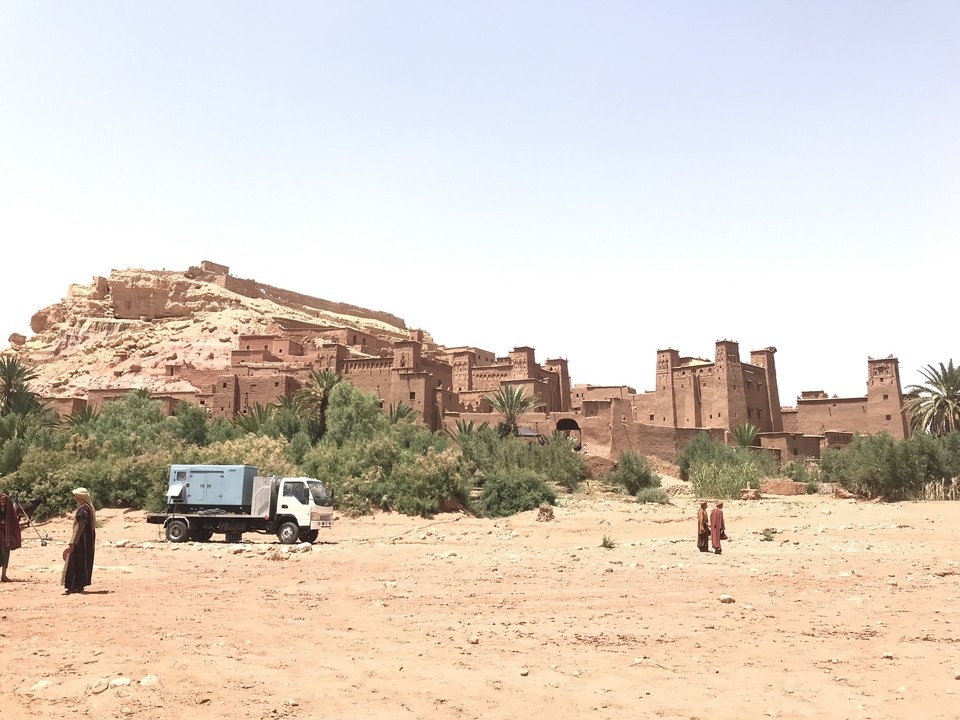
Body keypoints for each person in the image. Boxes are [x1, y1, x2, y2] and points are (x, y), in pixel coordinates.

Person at [62, 488, 96, 594]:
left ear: (80, 497)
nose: (74, 497)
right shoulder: (86, 507)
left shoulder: (83, 509)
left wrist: (73, 542)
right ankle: (78, 585)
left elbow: (80, 527)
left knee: (76, 561)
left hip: (82, 540)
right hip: (85, 539)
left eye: (75, 495)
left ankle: (74, 586)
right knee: (82, 562)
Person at [0, 494, 22, 582]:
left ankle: (3, 575)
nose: (2, 505)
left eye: (4, 504)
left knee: (5, 554)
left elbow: (13, 523)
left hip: (5, 536)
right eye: (1, 503)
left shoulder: (9, 515)